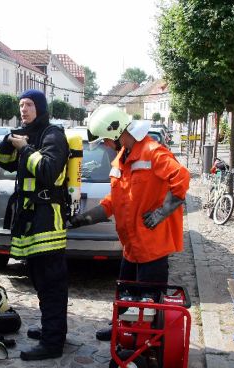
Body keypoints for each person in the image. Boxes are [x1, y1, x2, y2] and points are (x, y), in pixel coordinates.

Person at [70, 106, 190, 341]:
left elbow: (182, 179)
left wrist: (161, 212)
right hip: (131, 246)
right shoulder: (121, 159)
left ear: (115, 132)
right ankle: (121, 331)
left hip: (152, 248)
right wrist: (83, 219)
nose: (104, 145)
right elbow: (112, 202)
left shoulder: (153, 152)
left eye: (105, 139)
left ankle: (145, 345)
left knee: (149, 302)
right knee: (125, 294)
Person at [0, 89, 69, 361]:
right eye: (20, 105)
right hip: (31, 221)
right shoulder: (28, 134)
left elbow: (48, 171)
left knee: (51, 283)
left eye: (28, 105)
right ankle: (54, 329)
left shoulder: (53, 135)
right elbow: (5, 164)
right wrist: (7, 143)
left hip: (47, 222)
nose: (23, 109)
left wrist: (24, 148)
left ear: (39, 107)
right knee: (40, 279)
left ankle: (52, 343)